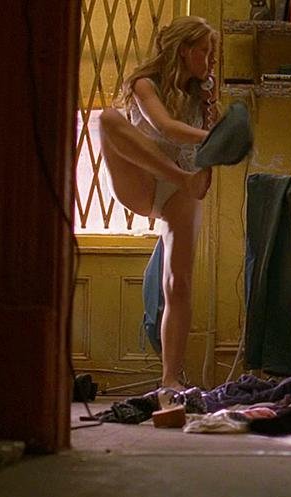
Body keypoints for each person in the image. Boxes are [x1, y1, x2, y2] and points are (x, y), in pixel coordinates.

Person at [99, 16, 218, 391]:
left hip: (182, 188)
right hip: (143, 179)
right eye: (205, 52)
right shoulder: (144, 84)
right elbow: (165, 127)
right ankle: (179, 176)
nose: (210, 61)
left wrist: (212, 113)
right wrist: (213, 135)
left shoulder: (201, 94)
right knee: (107, 118)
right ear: (184, 51)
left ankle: (170, 379)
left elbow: (208, 158)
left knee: (177, 283)